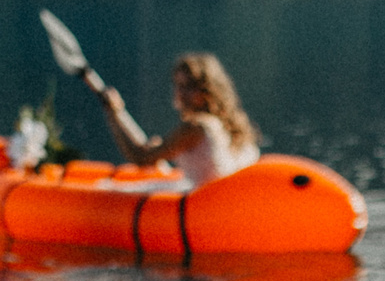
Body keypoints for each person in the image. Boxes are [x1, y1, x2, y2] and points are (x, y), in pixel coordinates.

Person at [97, 52, 264, 187]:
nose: (181, 94)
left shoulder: (196, 127)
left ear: (207, 89)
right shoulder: (230, 125)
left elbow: (140, 157)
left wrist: (114, 113)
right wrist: (163, 150)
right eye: (178, 85)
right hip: (221, 207)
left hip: (202, 211)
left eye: (189, 87)